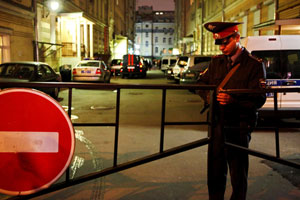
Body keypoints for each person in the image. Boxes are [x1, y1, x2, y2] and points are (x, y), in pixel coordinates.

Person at [197, 22, 266, 200]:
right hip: (217, 123)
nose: (221, 48)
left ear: (236, 38)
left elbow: (259, 99)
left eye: (225, 42)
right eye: (219, 44)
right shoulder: (216, 62)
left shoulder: (254, 65)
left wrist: (233, 101)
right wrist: (208, 97)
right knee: (215, 170)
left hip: (240, 124)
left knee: (238, 171)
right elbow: (200, 85)